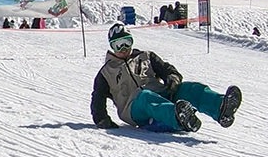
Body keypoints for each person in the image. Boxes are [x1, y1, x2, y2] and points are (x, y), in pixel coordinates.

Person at [91, 22, 243, 133]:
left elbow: (167, 69)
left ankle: (221, 108)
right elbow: (98, 97)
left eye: (126, 42)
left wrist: (173, 78)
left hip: (161, 95)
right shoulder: (106, 72)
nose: (124, 48)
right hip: (133, 108)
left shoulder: (146, 56)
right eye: (118, 45)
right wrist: (101, 119)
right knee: (145, 97)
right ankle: (179, 117)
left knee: (189, 88)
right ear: (112, 47)